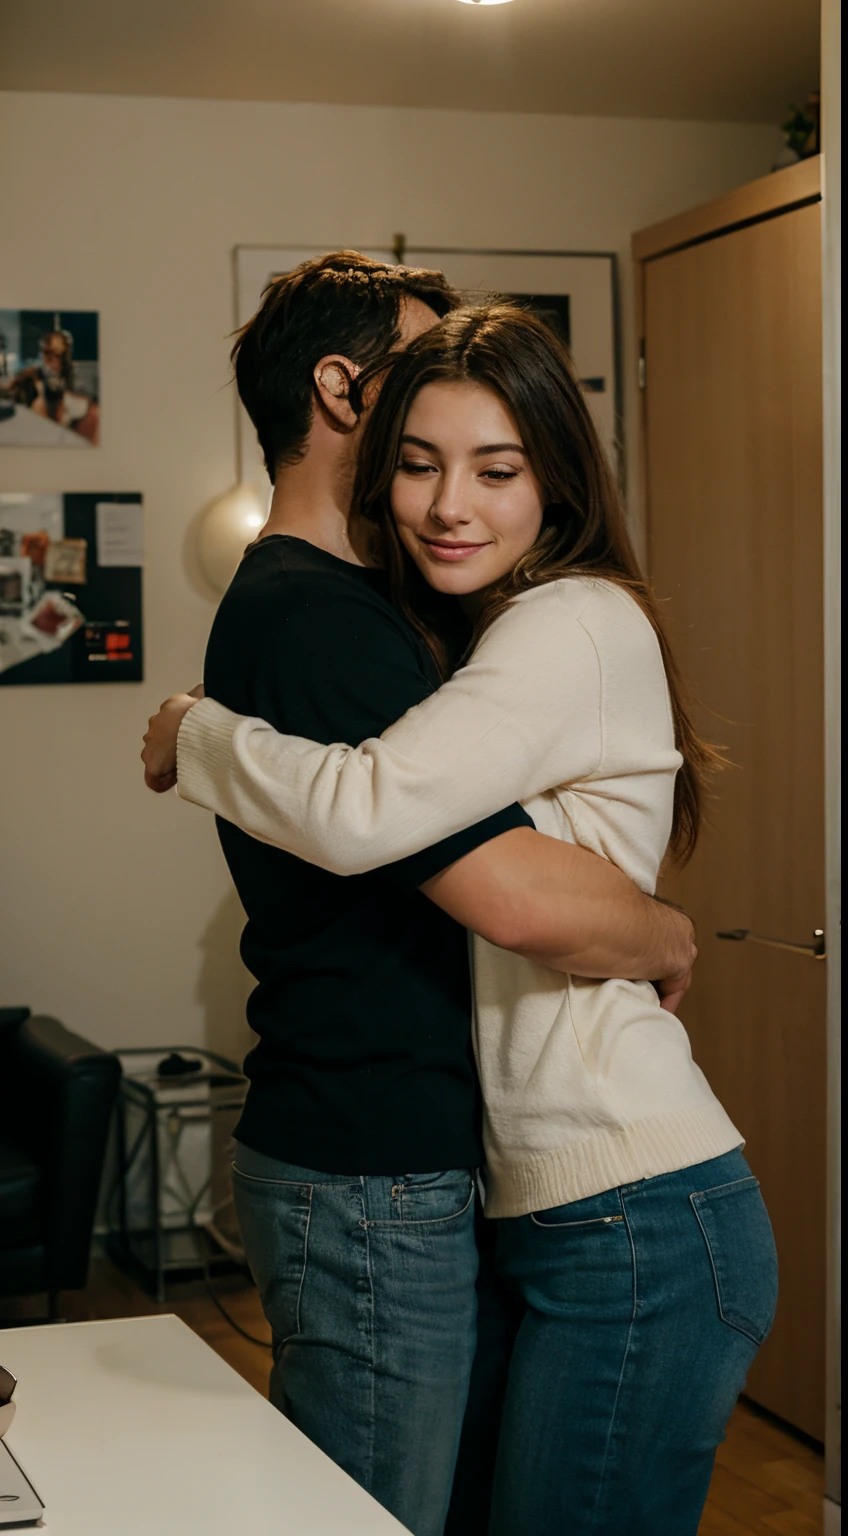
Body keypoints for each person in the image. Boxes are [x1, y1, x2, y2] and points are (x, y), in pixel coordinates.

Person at [144, 301, 778, 1535]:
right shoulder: (467, 626)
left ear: (557, 478)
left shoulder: (563, 620)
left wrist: (197, 734)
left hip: (634, 1207)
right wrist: (655, 929)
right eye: (420, 464)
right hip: (565, 1204)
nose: (448, 506)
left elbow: (368, 806)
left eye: (496, 470)